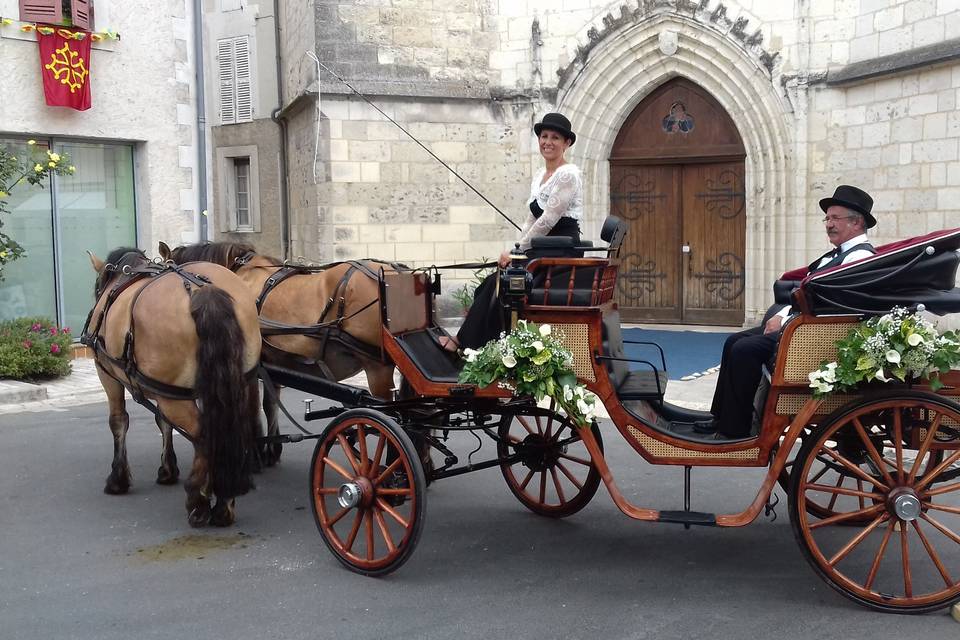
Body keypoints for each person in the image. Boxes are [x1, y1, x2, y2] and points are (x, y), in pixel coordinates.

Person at [700, 185, 878, 440]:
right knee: (734, 341)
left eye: (835, 218)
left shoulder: (857, 257)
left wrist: (784, 320)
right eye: (827, 218)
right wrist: (782, 314)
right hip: (805, 324)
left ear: (857, 222)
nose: (828, 224)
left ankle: (735, 429)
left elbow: (828, 301)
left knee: (745, 350)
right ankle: (721, 417)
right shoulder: (837, 256)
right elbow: (808, 289)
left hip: (819, 334)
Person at [451, 112, 584, 350]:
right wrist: (517, 247)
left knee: (500, 284)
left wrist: (517, 252)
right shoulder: (540, 176)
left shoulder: (568, 174)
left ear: (567, 143)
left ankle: (464, 342)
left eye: (555, 137)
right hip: (543, 246)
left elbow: (547, 220)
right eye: (544, 136)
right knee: (489, 283)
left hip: (559, 249)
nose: (548, 142)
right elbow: (531, 218)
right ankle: (486, 347)